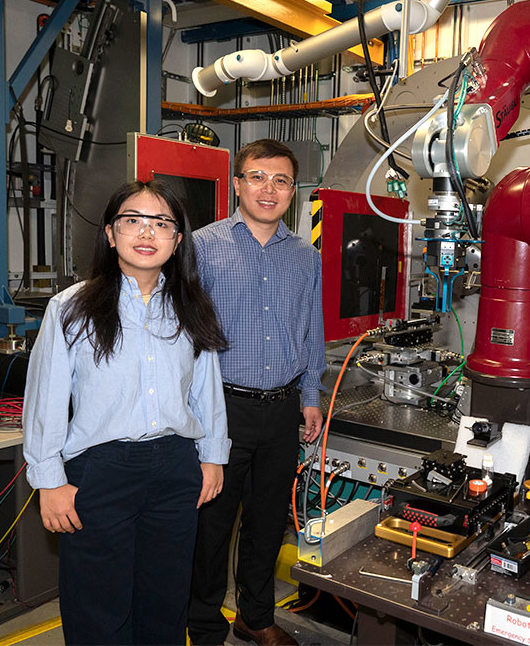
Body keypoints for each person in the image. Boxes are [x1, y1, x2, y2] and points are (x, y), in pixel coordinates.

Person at [22, 180, 229, 645]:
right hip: (100, 470)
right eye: (132, 220)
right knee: (99, 602)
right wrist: (49, 481)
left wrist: (213, 455)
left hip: (176, 468)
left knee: (166, 596)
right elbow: (45, 400)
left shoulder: (190, 307)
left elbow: (206, 390)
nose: (146, 232)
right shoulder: (71, 308)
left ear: (177, 242)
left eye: (161, 224)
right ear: (111, 234)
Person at [189, 139, 326, 646]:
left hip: (282, 406)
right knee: (212, 524)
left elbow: (311, 331)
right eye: (257, 177)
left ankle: (255, 616)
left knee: (268, 524)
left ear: (294, 190)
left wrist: (309, 396)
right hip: (219, 407)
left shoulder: (305, 256)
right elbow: (183, 332)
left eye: (281, 180)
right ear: (238, 184)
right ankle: (202, 623)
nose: (269, 189)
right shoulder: (202, 247)